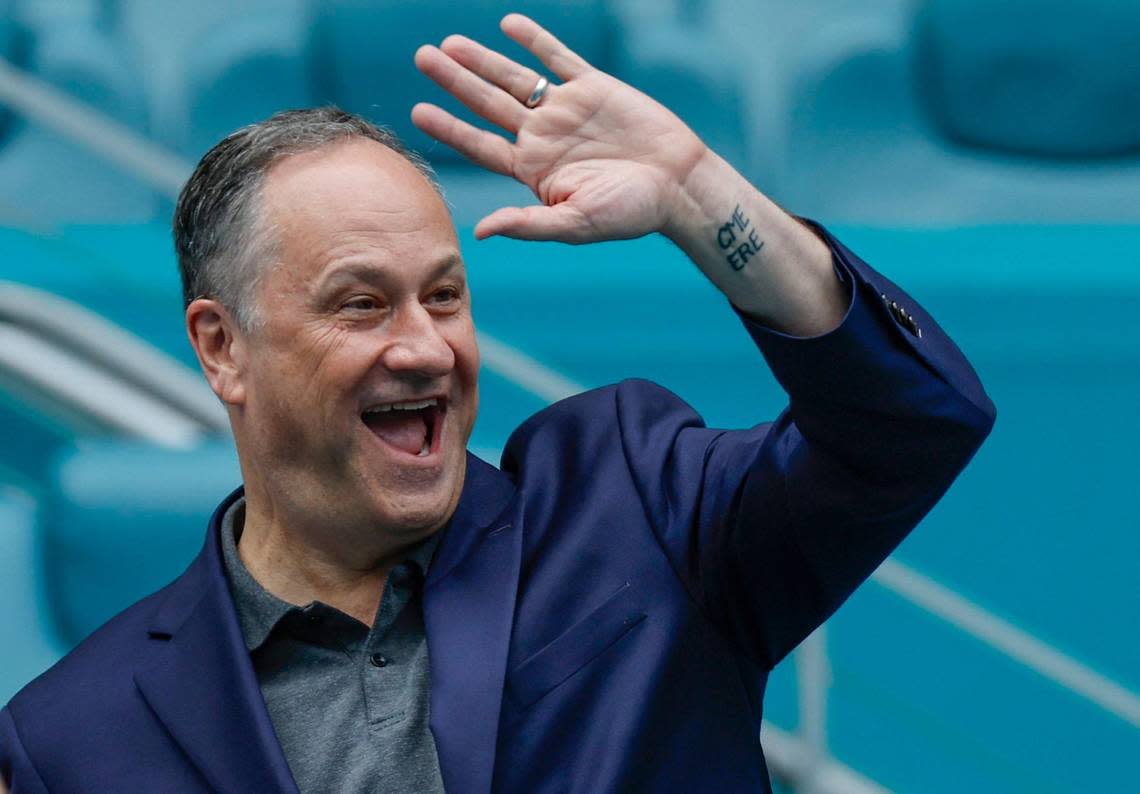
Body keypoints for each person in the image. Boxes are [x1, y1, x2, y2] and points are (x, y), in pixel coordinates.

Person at [0, 13, 994, 794]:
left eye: (444, 295)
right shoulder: (70, 735)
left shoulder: (634, 505)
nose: (426, 346)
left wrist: (698, 194)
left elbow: (909, 422)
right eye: (362, 304)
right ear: (222, 348)